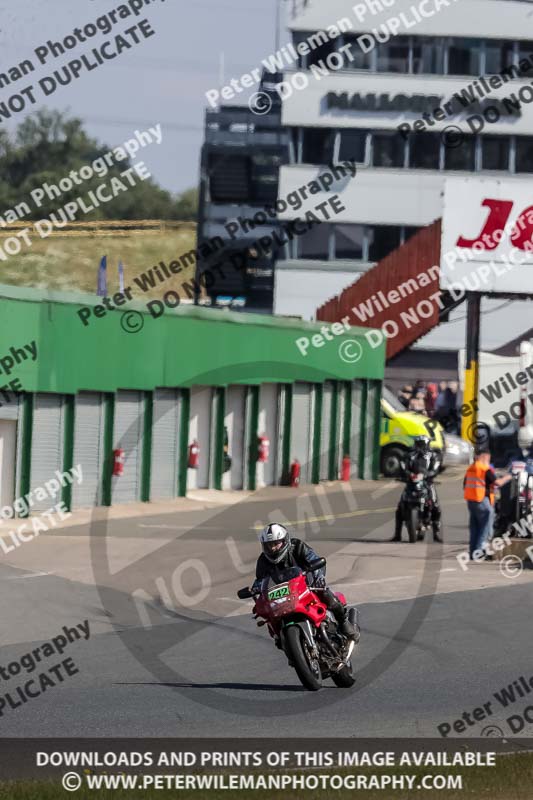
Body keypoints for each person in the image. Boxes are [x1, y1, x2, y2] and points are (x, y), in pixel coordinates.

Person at [254, 523, 358, 639]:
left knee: (325, 593)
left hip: (306, 585)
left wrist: (319, 576)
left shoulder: (297, 546)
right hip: (283, 595)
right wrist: (254, 590)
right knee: (270, 619)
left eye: (275, 544)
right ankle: (282, 640)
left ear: (285, 541)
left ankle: (344, 623)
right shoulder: (263, 560)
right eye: (268, 545)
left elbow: (315, 559)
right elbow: (260, 580)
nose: (272, 548)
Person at [463, 448, 512, 559]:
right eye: (488, 458)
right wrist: (509, 476)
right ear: (484, 456)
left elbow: (465, 484)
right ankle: (479, 551)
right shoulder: (484, 469)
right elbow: (497, 483)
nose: (488, 461)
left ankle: (473, 551)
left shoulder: (471, 468)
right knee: (485, 527)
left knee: (475, 527)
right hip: (482, 500)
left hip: (471, 501)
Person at [392, 434, 442, 542]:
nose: (420, 447)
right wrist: (409, 474)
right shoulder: (409, 455)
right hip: (411, 483)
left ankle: (436, 533)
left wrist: (426, 475)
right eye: (418, 444)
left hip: (427, 484)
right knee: (400, 506)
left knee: (435, 505)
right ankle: (397, 534)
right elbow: (403, 467)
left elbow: (435, 469)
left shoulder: (432, 455)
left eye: (422, 444)